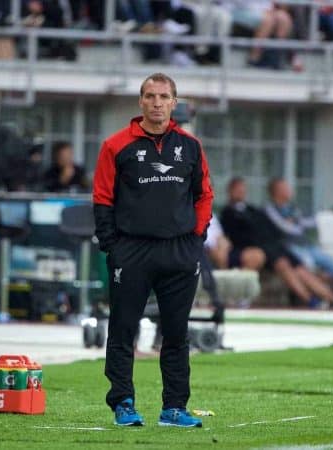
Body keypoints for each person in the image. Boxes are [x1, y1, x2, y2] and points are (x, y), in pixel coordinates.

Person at [93, 72, 213, 427]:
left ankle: (174, 408)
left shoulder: (190, 146)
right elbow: (102, 198)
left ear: (175, 103)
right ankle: (123, 404)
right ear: (140, 101)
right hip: (131, 251)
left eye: (163, 96)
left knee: (176, 333)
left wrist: (196, 239)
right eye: (150, 96)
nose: (156, 103)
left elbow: (204, 195)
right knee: (122, 329)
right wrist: (112, 246)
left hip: (179, 251)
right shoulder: (115, 145)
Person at [221, 177, 333, 309]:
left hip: (275, 246)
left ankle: (332, 298)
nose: (241, 192)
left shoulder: (253, 210)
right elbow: (237, 236)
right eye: (237, 190)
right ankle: (310, 300)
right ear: (230, 191)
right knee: (284, 266)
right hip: (260, 249)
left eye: (242, 189)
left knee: (301, 269)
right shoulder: (228, 213)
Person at [264, 177, 333, 278]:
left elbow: (313, 222)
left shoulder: (293, 207)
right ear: (277, 191)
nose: (290, 190)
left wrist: (296, 222)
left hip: (307, 245)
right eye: (286, 188)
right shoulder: (269, 209)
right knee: (308, 265)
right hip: (289, 246)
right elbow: (284, 227)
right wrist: (297, 224)